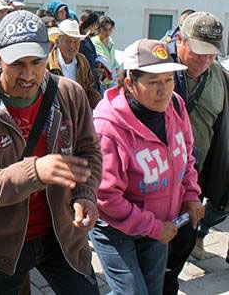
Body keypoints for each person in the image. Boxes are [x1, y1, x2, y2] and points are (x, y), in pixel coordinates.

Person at [0, 10, 102, 295]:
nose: (28, 74)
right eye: (16, 64)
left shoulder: (70, 94)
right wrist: (35, 172)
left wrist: (86, 195)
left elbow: (89, 152)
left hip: (63, 236)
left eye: (36, 62)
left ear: (47, 54)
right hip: (2, 244)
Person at [91, 39, 203, 295]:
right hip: (115, 228)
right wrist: (154, 227)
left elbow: (186, 155)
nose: (163, 90)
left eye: (168, 80)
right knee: (131, 292)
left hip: (161, 222)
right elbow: (106, 198)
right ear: (129, 83)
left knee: (154, 290)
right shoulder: (108, 128)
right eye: (153, 82)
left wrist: (191, 195)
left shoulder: (175, 105)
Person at [164, 12, 229, 294]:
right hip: (152, 178)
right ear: (180, 40)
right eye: (199, 51)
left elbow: (222, 131)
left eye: (212, 54)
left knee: (184, 239)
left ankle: (167, 281)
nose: (204, 61)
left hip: (194, 178)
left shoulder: (222, 79)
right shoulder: (156, 68)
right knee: (152, 244)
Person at [46, 19, 102, 109]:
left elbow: (90, 89)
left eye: (76, 41)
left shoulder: (82, 61)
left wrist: (102, 107)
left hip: (78, 113)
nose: (72, 46)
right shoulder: (47, 63)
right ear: (57, 42)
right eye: (68, 41)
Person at [92, 15, 121, 91]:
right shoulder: (93, 42)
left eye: (110, 29)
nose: (108, 32)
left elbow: (112, 59)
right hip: (99, 83)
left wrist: (117, 67)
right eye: (105, 29)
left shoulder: (111, 42)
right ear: (99, 29)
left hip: (111, 81)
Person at [78, 10, 102, 95]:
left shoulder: (87, 38)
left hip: (93, 78)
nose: (96, 28)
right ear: (92, 25)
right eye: (95, 25)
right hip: (85, 81)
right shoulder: (79, 40)